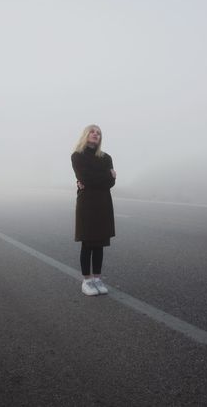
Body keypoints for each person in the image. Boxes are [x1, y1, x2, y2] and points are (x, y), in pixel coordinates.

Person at [71, 125, 116, 296]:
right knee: (88, 241)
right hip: (87, 203)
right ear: (86, 135)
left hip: (103, 202)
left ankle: (97, 278)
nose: (96, 135)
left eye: (98, 133)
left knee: (100, 242)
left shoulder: (106, 157)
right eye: (92, 132)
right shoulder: (77, 156)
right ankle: (87, 281)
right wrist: (106, 176)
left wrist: (98, 179)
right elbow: (85, 178)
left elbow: (111, 183)